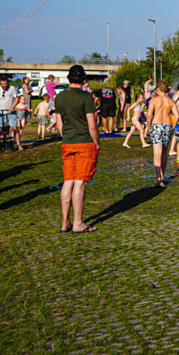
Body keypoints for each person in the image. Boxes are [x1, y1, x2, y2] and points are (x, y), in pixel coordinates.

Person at [55, 65, 100, 234]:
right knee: (80, 182)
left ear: (69, 78)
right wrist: (96, 142)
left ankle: (65, 222)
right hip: (84, 142)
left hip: (68, 142)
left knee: (68, 181)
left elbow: (59, 123)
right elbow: (92, 125)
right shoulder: (86, 97)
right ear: (83, 79)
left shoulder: (60, 97)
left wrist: (65, 135)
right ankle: (78, 223)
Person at [146, 81, 177, 187]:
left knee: (157, 152)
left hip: (156, 125)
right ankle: (162, 176)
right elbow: (177, 116)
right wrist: (172, 127)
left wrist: (149, 127)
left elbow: (149, 115)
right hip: (167, 125)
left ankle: (159, 177)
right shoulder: (171, 101)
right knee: (164, 152)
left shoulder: (153, 100)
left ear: (158, 90)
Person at [0, 76, 20, 151]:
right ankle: (3, 141)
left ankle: (18, 144)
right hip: (1, 112)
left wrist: (12, 107)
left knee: (15, 128)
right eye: (3, 84)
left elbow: (17, 98)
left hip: (10, 112)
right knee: (1, 130)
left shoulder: (12, 88)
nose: (4, 85)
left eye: (6, 84)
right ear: (0, 84)